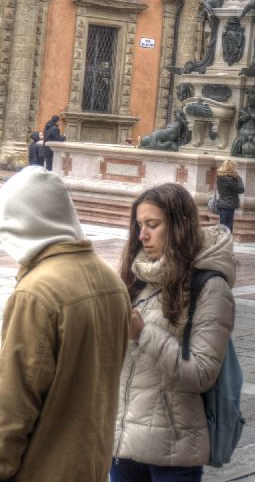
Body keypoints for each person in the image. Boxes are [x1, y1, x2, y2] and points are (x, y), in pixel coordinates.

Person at [0, 166, 130, 482]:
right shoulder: (110, 279)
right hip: (91, 464)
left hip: (43, 469)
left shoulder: (38, 292)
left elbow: (14, 404)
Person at [111, 183, 236, 480]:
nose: (143, 236)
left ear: (179, 226)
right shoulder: (137, 278)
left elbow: (203, 374)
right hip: (123, 442)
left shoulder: (209, 287)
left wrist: (143, 333)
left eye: (153, 225)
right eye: (140, 226)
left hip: (173, 451)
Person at [214, 159, 245, 233]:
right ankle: (226, 242)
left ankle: (223, 241)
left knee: (224, 226)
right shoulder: (229, 179)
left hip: (223, 204)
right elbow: (241, 189)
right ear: (230, 168)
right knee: (227, 227)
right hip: (228, 205)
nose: (235, 169)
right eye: (234, 167)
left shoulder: (220, 177)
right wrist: (239, 179)